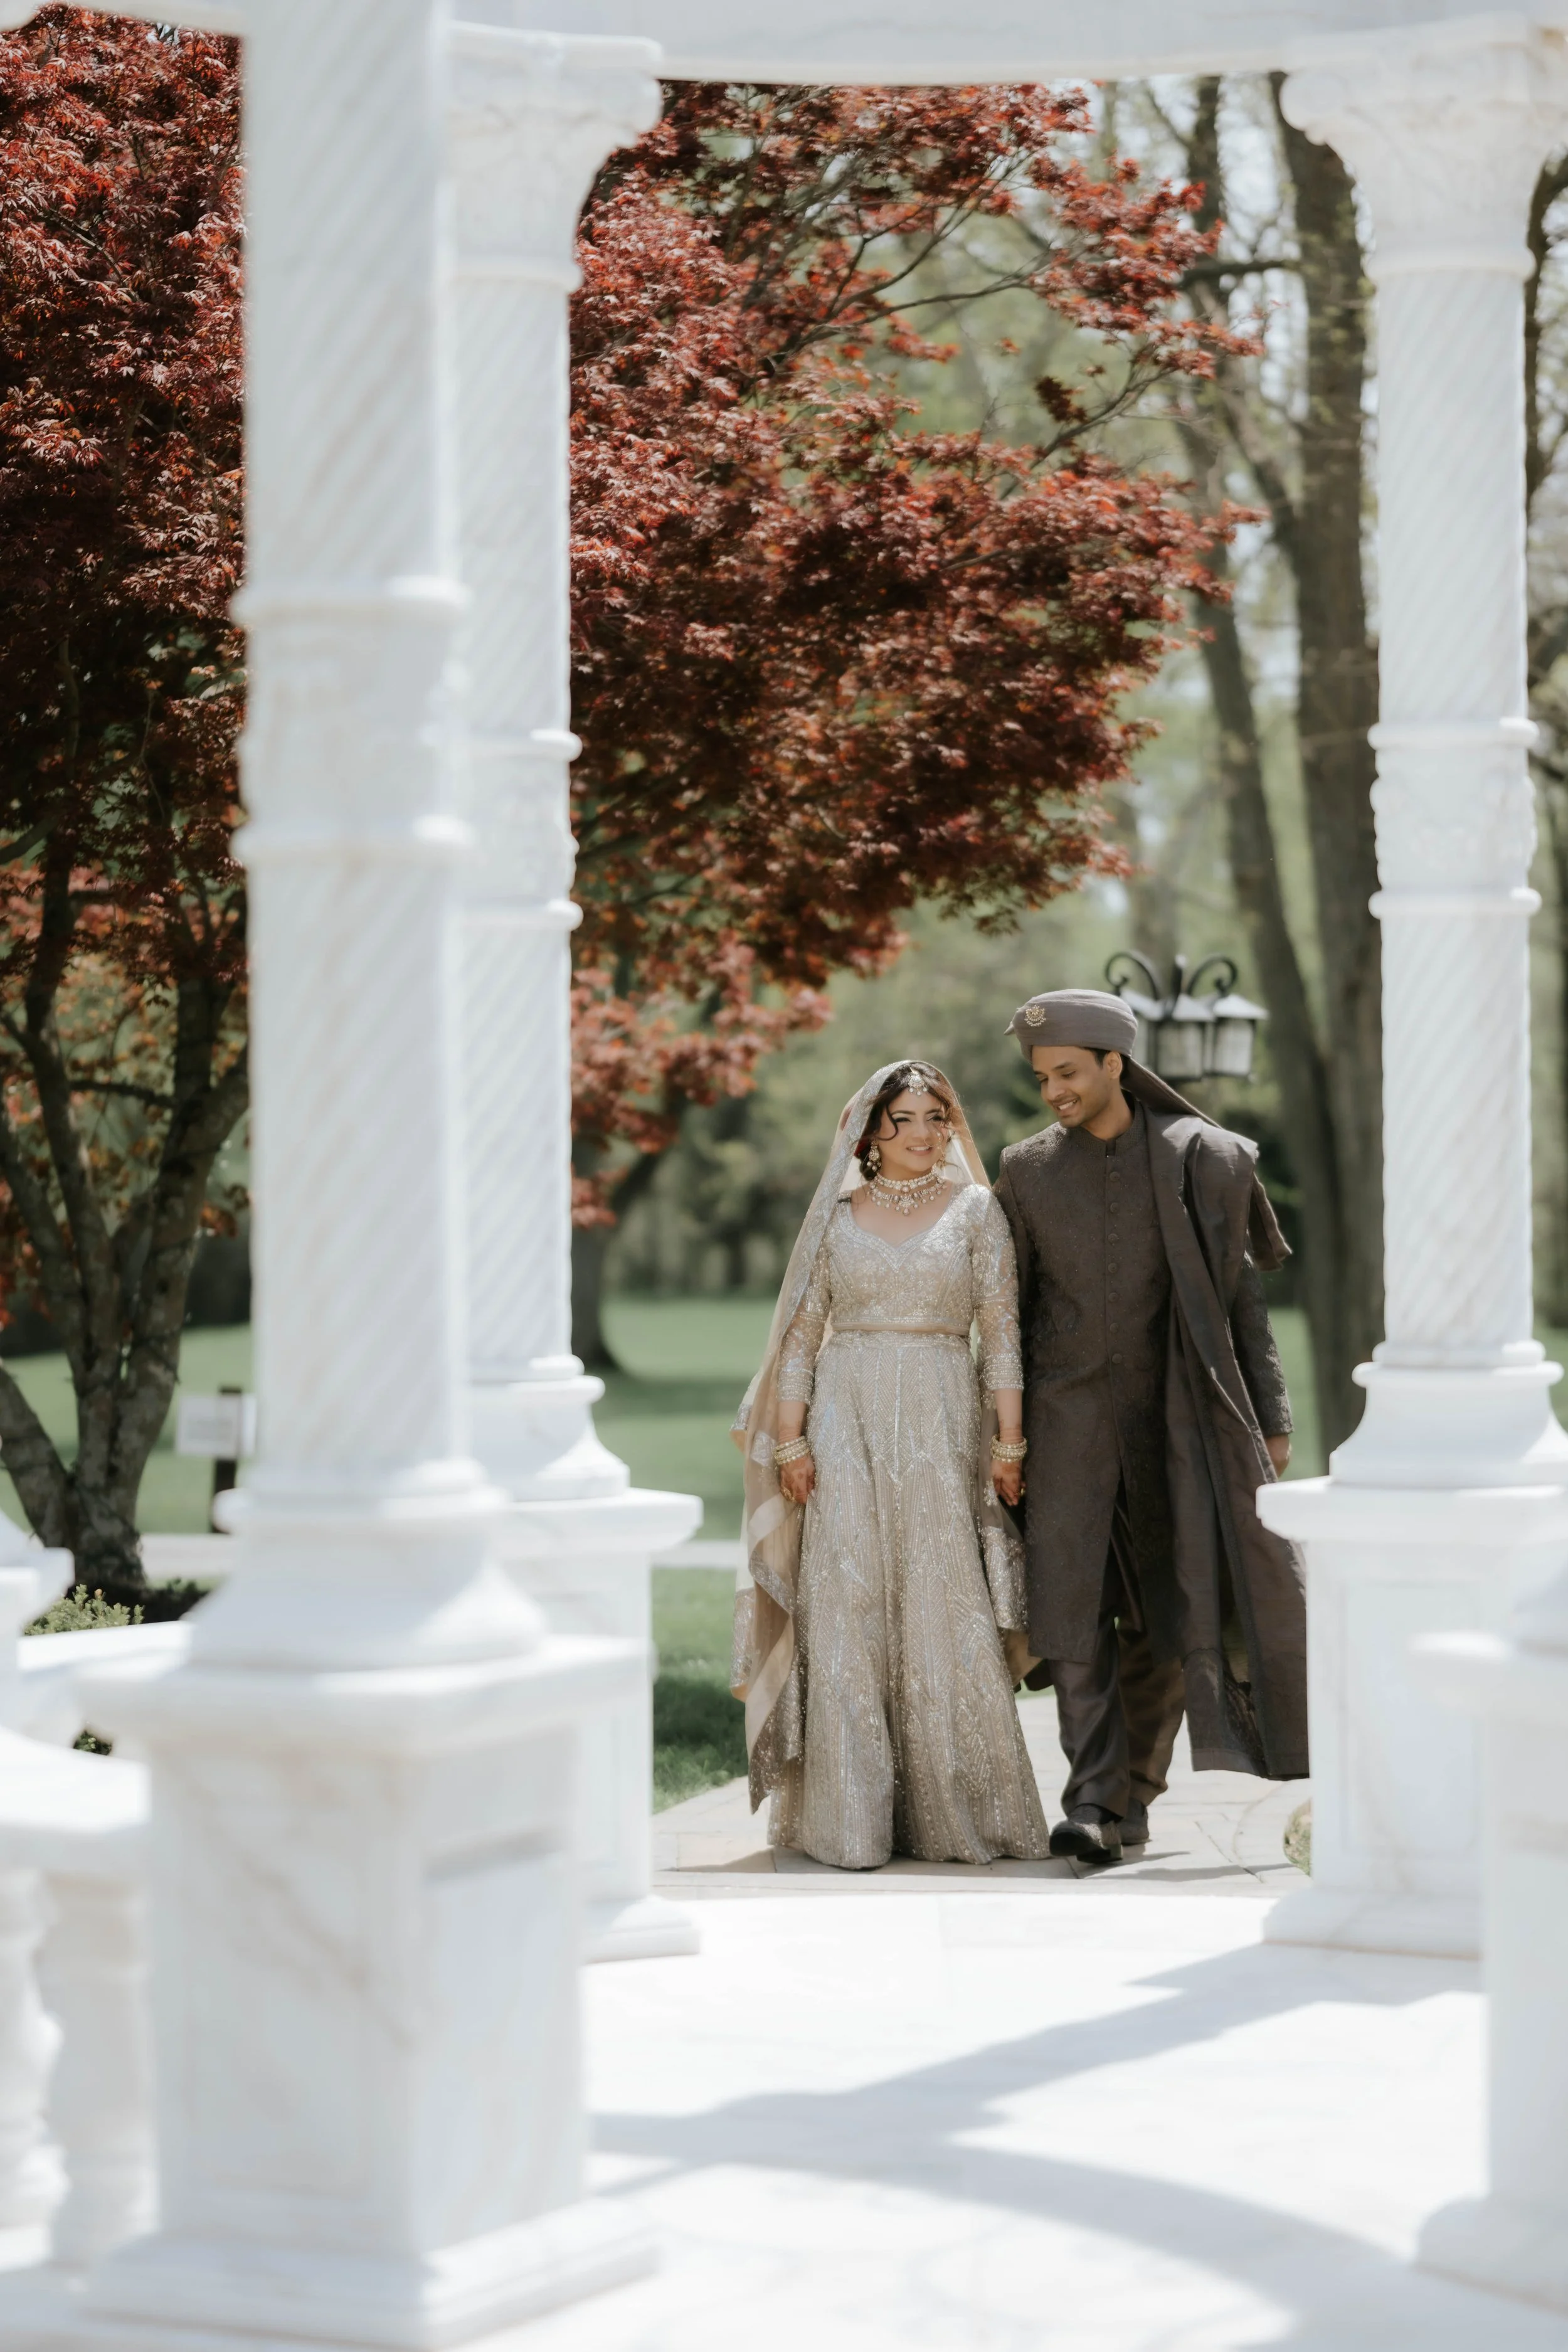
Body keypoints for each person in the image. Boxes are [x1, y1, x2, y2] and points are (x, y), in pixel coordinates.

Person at [994, 988, 1306, 1865]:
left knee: (1169, 1614)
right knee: (1070, 1614)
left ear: (1114, 1064)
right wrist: (1003, 1435)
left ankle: (1131, 1794)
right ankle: (1092, 1800)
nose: (1054, 1090)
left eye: (1067, 1072)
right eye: (1042, 1077)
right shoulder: (1025, 1170)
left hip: (1178, 1423)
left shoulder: (1203, 1159)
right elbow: (1007, 1312)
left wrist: (1271, 1420)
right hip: (1062, 1429)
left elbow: (1244, 1306)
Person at [730, 1060, 1051, 1869]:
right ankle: (851, 1821)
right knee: (848, 1599)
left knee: (942, 1598)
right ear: (870, 1130)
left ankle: (960, 1813)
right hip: (846, 1420)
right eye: (904, 1119)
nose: (924, 1134)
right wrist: (793, 1442)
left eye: (937, 1118)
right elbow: (802, 1337)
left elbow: (1001, 1331)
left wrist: (1009, 1443)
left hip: (944, 1420)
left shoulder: (977, 1211)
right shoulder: (836, 1220)